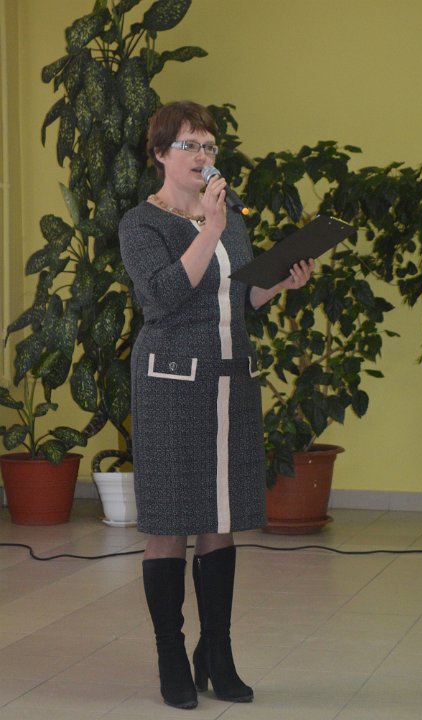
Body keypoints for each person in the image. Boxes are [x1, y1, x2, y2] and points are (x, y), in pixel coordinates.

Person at [119, 100, 314, 710]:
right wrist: (206, 228)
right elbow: (164, 298)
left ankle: (217, 653)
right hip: (170, 384)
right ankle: (172, 656)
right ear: (160, 154)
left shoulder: (227, 218)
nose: (203, 156)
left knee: (218, 519)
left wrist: (279, 282)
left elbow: (237, 299)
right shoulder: (141, 224)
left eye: (208, 146)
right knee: (169, 523)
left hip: (230, 378)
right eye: (190, 145)